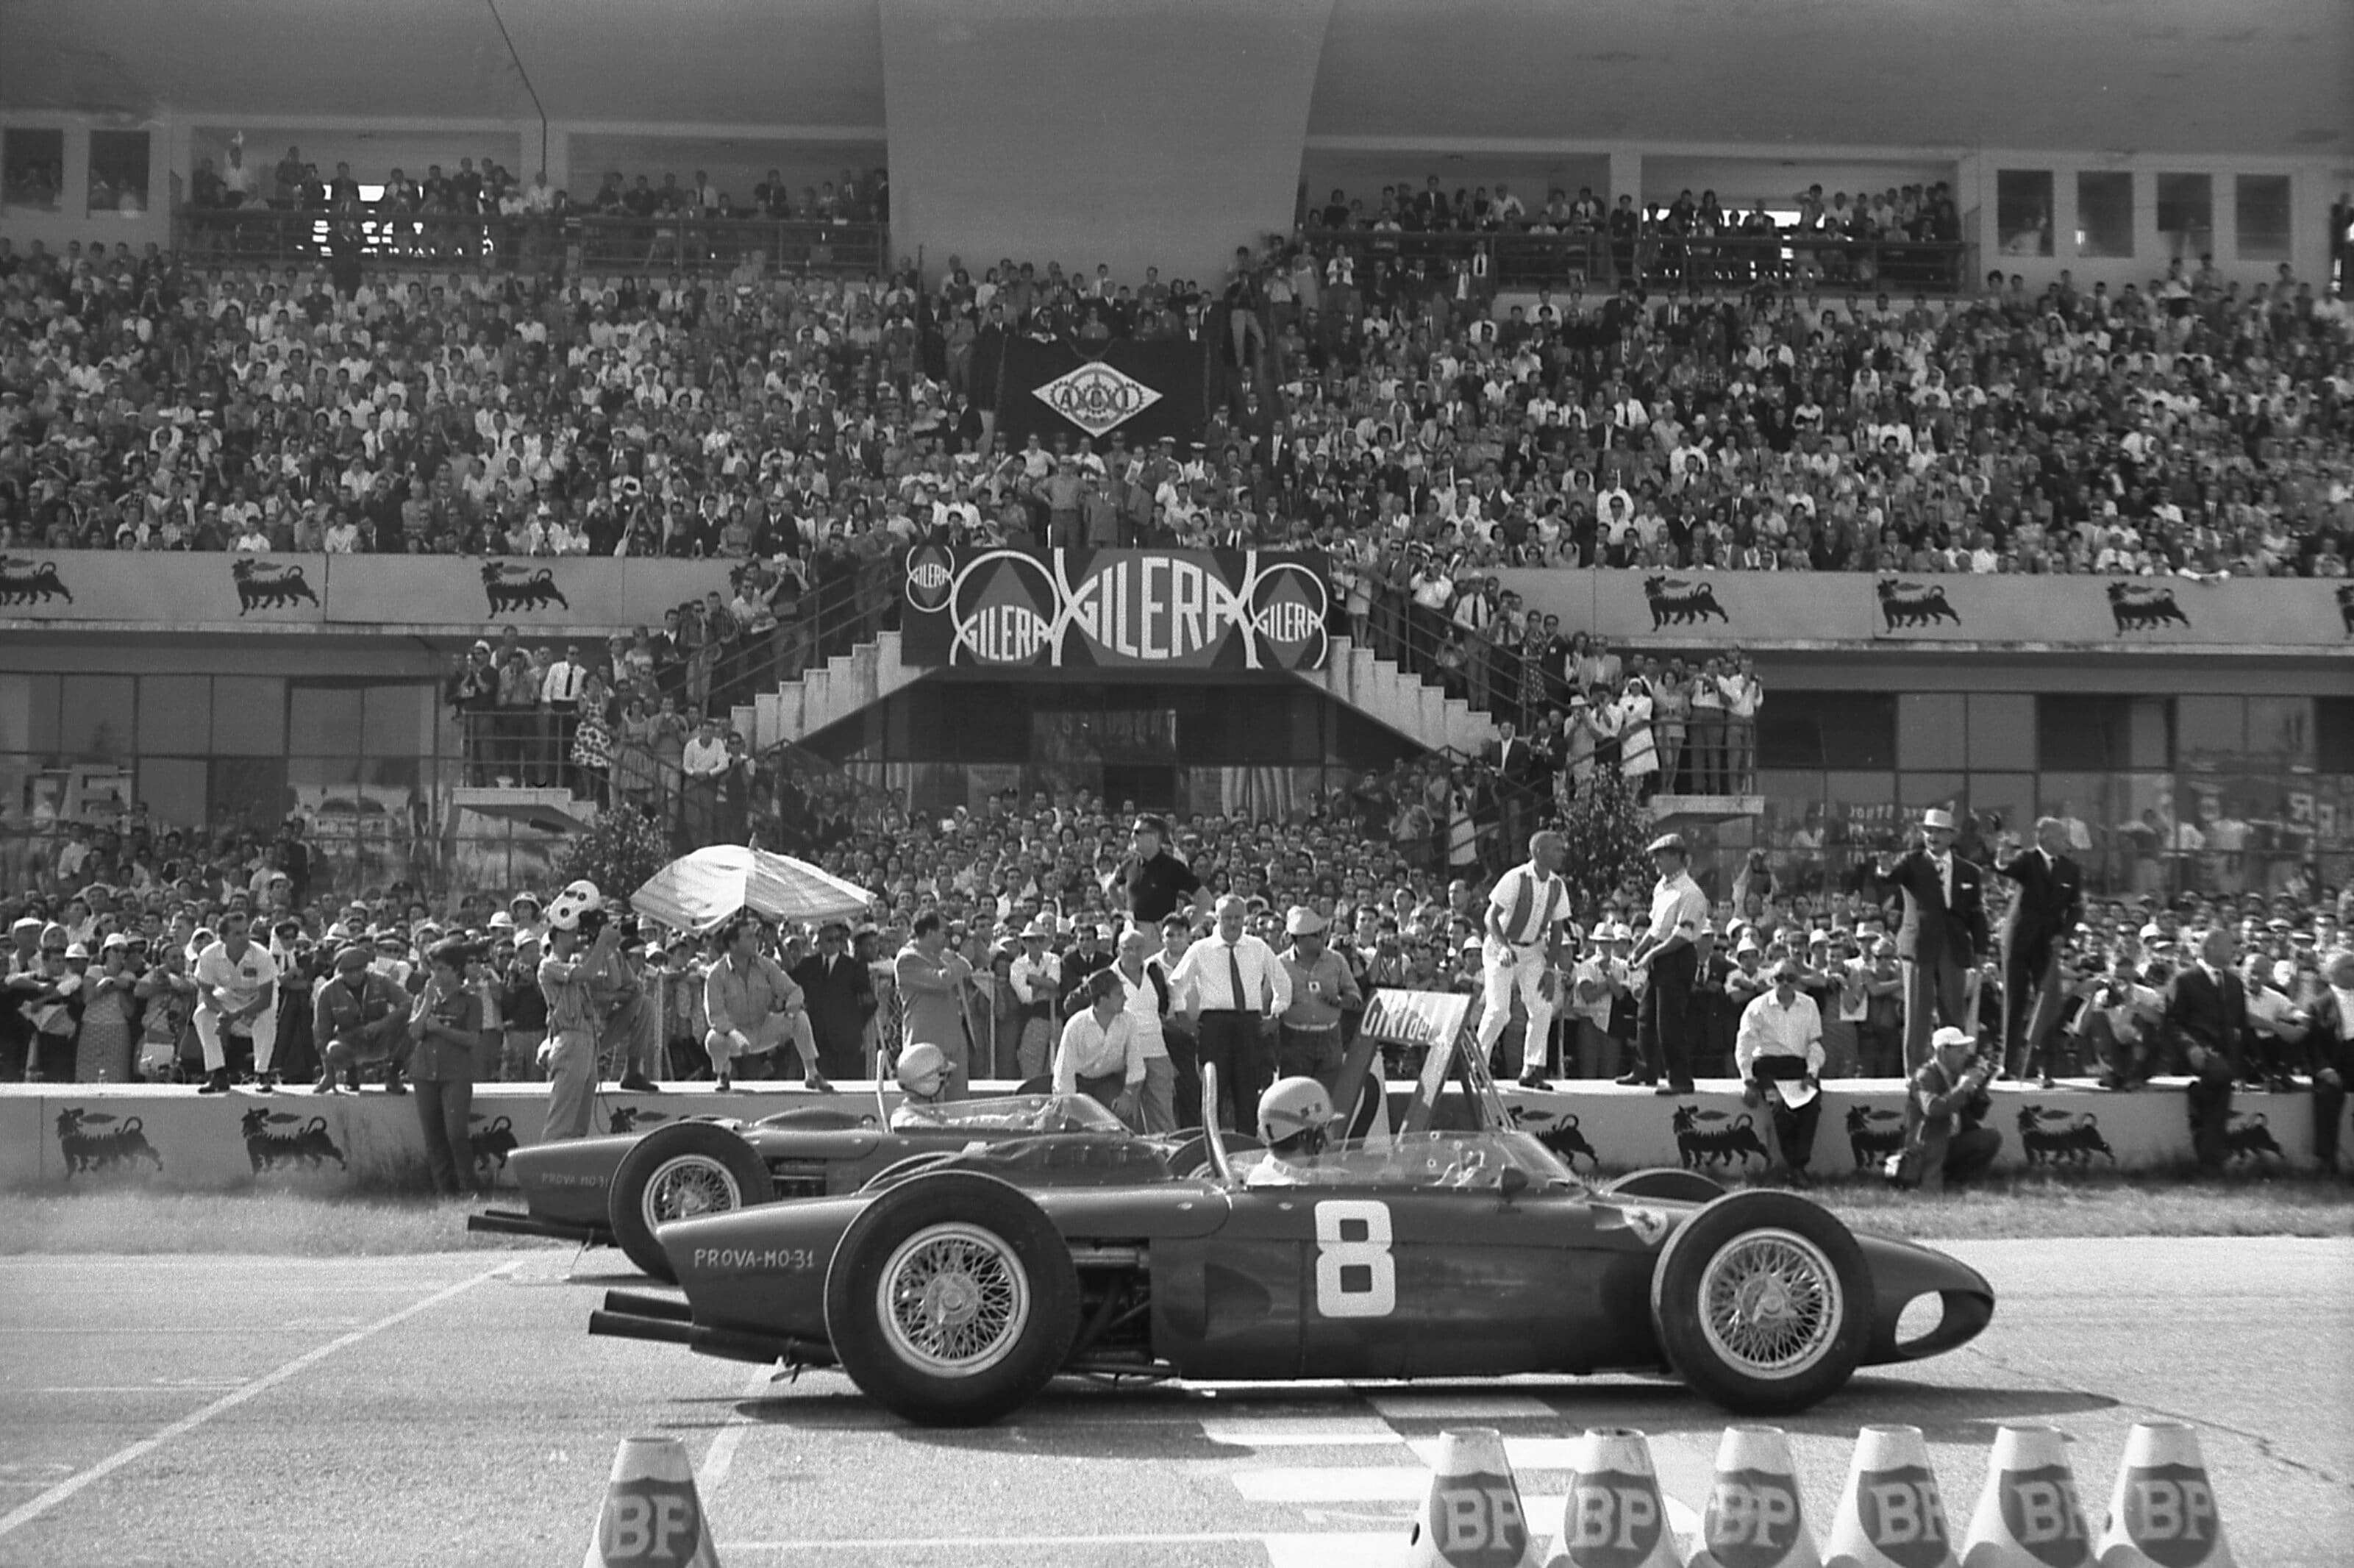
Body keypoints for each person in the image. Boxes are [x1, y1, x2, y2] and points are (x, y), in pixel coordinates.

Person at [1168, 894, 1290, 1132]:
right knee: (1213, 1091)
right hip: (1215, 1025)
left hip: (1249, 1024)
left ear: (1245, 919)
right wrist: (1183, 1017)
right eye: (1227, 918)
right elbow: (1176, 984)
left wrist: (1276, 1014)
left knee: (1247, 1091)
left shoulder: (1258, 947)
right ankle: (1211, 1147)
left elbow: (1282, 981)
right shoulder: (1201, 949)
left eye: (1237, 918)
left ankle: (1246, 1146)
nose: (1233, 923)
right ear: (1218, 918)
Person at [1883, 808, 1990, 1073]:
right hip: (1920, 945)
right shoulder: (1911, 863)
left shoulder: (1969, 872)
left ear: (1952, 836)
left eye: (1939, 831)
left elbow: (1977, 913)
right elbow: (1888, 877)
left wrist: (1981, 949)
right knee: (1918, 1013)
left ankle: (1953, 1070)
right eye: (1928, 831)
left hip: (1953, 947)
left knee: (1953, 1013)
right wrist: (1883, 867)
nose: (1932, 836)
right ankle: (1916, 1074)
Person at [1476, 830, 1574, 1088]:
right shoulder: (1516, 878)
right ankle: (1478, 1067)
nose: (1562, 853)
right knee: (1499, 1012)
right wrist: (1504, 947)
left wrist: (1550, 969)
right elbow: (1490, 917)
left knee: (1541, 1008)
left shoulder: (1557, 885)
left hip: (1532, 952)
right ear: (1539, 852)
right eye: (1557, 849)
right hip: (1501, 948)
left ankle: (1533, 1070)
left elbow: (1558, 929)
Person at [1996, 817, 2084, 1085]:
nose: (2065, 841)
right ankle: (2009, 1065)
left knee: (2048, 1004)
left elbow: (2076, 907)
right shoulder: (2027, 860)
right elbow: (2005, 869)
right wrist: (2002, 852)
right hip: (2019, 941)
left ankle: (2047, 1068)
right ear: (2044, 837)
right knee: (2015, 1001)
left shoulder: (2070, 869)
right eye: (2060, 836)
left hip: (2048, 943)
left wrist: (2064, 934)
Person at [703, 913, 829, 1093]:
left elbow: (794, 991)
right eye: (749, 937)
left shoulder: (765, 965)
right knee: (713, 1039)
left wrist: (790, 1013)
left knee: (801, 1018)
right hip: (735, 1036)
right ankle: (723, 1074)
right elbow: (715, 1015)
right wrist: (734, 1034)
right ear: (733, 944)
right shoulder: (716, 974)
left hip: (764, 1027)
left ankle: (812, 1073)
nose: (756, 941)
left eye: (755, 935)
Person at [1624, 833, 1711, 1094]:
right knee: (1645, 1016)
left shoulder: (1691, 892)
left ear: (1676, 857)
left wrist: (1651, 955)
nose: (1656, 862)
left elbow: (1682, 935)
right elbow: (1656, 926)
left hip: (1678, 956)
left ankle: (1680, 1079)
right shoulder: (1661, 887)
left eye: (1660, 856)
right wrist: (1639, 950)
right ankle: (1644, 1069)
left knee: (1669, 1021)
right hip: (1661, 954)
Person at [2164, 926, 2250, 1175]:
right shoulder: (2184, 980)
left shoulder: (2234, 982)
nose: (2234, 950)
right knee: (2222, 1076)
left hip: (2225, 1058)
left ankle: (2208, 1151)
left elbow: (2241, 1025)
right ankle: (2212, 1155)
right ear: (2211, 947)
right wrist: (2191, 1048)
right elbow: (2172, 1023)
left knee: (2223, 1080)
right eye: (2229, 945)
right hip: (2195, 1053)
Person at [1734, 959, 1827, 1183]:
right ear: (1771, 980)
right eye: (1779, 978)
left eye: (1791, 979)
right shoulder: (1757, 1006)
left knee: (1811, 1107)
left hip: (1798, 1067)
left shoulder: (1809, 1004)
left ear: (1798, 982)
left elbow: (1815, 1045)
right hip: (1767, 1067)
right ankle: (1794, 1168)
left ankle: (1798, 1165)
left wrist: (1812, 1074)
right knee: (1780, 1109)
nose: (1785, 983)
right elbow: (1744, 1044)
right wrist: (1748, 1081)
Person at [537, 893, 620, 1138]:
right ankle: (546, 1172)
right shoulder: (549, 965)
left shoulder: (579, 961)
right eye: (572, 933)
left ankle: (566, 1176)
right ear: (557, 936)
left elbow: (613, 982)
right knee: (560, 1123)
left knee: (579, 1128)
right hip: (570, 1041)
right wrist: (601, 944)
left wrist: (607, 950)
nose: (577, 937)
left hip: (587, 1042)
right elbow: (584, 974)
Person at [410, 937, 484, 1196]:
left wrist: (441, 1030)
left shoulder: (471, 1001)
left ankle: (468, 1187)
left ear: (456, 970)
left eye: (442, 969)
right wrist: (428, 1002)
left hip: (456, 1074)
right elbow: (415, 1032)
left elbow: (473, 1039)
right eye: (433, 969)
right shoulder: (424, 997)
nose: (436, 974)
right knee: (434, 1137)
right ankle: (445, 1191)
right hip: (424, 1073)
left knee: (456, 1134)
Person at [1895, 1025, 2001, 1190]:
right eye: (1960, 1052)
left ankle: (1960, 1181)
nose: (1965, 1057)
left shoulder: (1957, 1074)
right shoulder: (1925, 1076)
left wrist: (1980, 1087)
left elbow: (1978, 1114)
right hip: (1929, 1145)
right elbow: (1933, 1109)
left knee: (1990, 1138)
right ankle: (1930, 1181)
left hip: (1950, 1142)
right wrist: (1962, 1089)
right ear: (1943, 1052)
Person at [192, 908, 282, 1094]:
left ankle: (262, 1073)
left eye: (246, 931)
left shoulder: (262, 956)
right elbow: (207, 993)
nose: (245, 937)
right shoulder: (208, 955)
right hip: (229, 995)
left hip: (258, 997)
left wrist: (235, 1016)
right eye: (237, 933)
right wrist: (222, 1013)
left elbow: (265, 999)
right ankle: (217, 1073)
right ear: (223, 938)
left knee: (267, 1015)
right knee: (201, 1014)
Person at [1277, 905, 1360, 1099]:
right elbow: (1267, 1004)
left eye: (1322, 933)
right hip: (1293, 1039)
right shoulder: (1280, 964)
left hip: (1330, 1037)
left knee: (1326, 1099)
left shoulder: (1336, 961)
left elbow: (1355, 998)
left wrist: (1339, 1001)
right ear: (1300, 939)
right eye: (1316, 935)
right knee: (1295, 1099)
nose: (1323, 938)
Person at [313, 944, 413, 1094]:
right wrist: (328, 1073)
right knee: (334, 1049)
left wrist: (382, 1024)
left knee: (410, 1030)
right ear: (340, 972)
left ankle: (393, 1076)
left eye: (359, 969)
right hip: (350, 1041)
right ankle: (350, 1073)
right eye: (348, 971)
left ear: (365, 967)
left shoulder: (381, 981)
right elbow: (322, 1033)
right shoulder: (327, 992)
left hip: (380, 1037)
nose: (355, 975)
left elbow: (407, 1003)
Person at [896, 912, 975, 1100]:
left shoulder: (941, 956)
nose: (947, 937)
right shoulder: (908, 959)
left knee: (958, 1108)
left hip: (952, 1044)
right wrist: (959, 961)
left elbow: (980, 960)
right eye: (944, 932)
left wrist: (968, 936)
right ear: (930, 933)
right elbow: (942, 981)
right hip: (926, 1049)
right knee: (928, 1110)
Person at [1052, 967, 1145, 1126]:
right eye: (1119, 994)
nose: (1126, 998)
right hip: (1079, 1083)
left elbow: (1136, 1064)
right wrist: (1068, 1106)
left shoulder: (1129, 1021)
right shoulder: (1076, 1025)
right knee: (1073, 1125)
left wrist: (1127, 1095)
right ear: (1102, 999)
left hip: (1110, 1082)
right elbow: (1064, 1072)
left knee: (1123, 1115)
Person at [1110, 924, 1177, 1132]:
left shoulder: (1154, 972)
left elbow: (1164, 1005)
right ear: (1118, 950)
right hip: (1126, 1052)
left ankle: (1168, 1157)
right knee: (1130, 1115)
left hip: (1157, 1050)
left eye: (1138, 948)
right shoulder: (1108, 977)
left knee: (1163, 1111)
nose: (1133, 954)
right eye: (1127, 949)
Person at [790, 920, 874, 1083]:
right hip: (817, 1041)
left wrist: (854, 1024)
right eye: (829, 940)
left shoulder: (854, 967)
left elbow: (870, 1002)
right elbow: (790, 983)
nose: (834, 944)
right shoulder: (808, 965)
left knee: (848, 1089)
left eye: (838, 939)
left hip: (846, 1043)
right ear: (819, 943)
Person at [2300, 949, 2353, 1177]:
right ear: (2334, 973)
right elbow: (2311, 1045)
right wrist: (2323, 1069)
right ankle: (2327, 1161)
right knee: (2328, 1093)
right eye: (2351, 967)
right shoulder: (2318, 1005)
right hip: (2335, 1060)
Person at [1242, 1075, 1340, 1187]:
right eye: (1328, 1126)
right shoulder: (1299, 1191)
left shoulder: (1262, 1174)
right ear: (1310, 1136)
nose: (1331, 1137)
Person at [1007, 916, 1062, 1078]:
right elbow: (1027, 997)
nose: (1036, 944)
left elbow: (1054, 983)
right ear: (1024, 943)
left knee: (1055, 1068)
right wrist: (1044, 982)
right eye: (1031, 941)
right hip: (1033, 1018)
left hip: (1055, 1017)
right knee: (1031, 1069)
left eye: (1039, 940)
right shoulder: (1017, 965)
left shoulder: (1053, 959)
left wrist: (1032, 979)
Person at [1124, 814, 1205, 924]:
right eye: (1133, 831)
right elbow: (1111, 887)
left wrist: (1187, 929)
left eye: (1138, 832)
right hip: (1133, 934)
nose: (1133, 836)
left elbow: (1205, 899)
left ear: (1155, 836)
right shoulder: (1130, 864)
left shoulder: (1174, 867)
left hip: (1161, 936)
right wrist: (1124, 913)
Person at [888, 1040, 949, 1127]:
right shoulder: (908, 1121)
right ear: (928, 1084)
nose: (947, 1085)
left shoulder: (928, 1114)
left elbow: (952, 1125)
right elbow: (942, 1132)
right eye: (943, 1080)